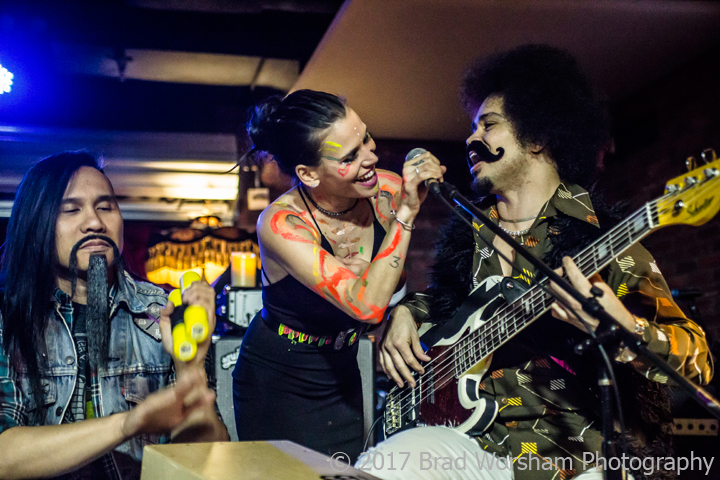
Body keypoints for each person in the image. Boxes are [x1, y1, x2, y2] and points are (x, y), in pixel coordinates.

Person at [363, 45, 713, 480]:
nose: (471, 140)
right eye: (473, 128)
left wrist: (623, 325)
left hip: (573, 455)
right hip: (472, 444)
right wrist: (404, 313)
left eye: (489, 125)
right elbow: (447, 312)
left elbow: (697, 360)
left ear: (536, 138)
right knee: (385, 465)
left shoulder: (602, 239)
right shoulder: (470, 234)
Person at [232, 89, 444, 461]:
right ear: (308, 174)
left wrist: (402, 311)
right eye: (350, 156)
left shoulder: (387, 192)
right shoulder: (282, 223)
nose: (371, 157)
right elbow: (366, 305)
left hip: (343, 366)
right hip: (279, 377)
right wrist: (407, 216)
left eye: (366, 138)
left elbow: (392, 285)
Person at [0, 152, 229, 480]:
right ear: (36, 223)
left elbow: (207, 460)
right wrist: (127, 424)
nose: (95, 222)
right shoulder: (8, 318)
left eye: (105, 207)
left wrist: (190, 369)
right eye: (71, 210)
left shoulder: (161, 314)